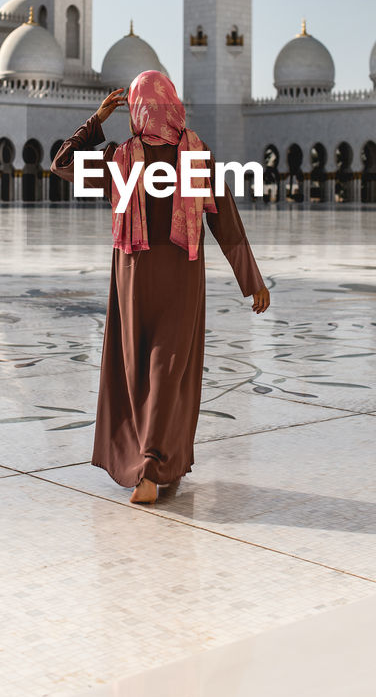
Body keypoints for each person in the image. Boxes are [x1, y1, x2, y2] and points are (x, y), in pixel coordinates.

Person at [50, 70, 269, 506]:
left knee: (136, 372)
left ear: (135, 108)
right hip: (182, 277)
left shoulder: (120, 158)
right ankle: (154, 466)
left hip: (134, 277)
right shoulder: (194, 154)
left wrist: (94, 123)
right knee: (168, 372)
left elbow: (61, 165)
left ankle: (145, 468)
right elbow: (224, 218)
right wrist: (252, 282)